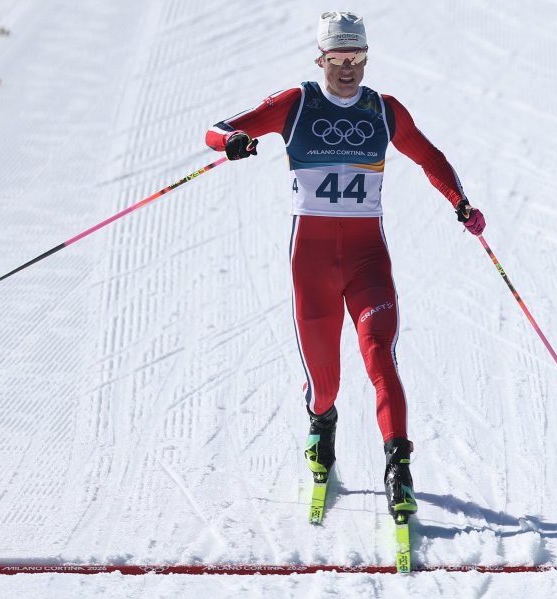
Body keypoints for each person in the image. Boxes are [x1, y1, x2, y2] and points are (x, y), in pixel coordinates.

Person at [204, 11, 486, 521]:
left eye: (357, 58)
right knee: (324, 382)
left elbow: (429, 156)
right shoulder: (296, 105)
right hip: (310, 264)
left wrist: (458, 201)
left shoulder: (384, 110)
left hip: (366, 259)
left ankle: (398, 467)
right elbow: (217, 129)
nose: (348, 68)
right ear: (321, 59)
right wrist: (234, 142)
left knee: (380, 354)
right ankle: (321, 422)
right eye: (338, 58)